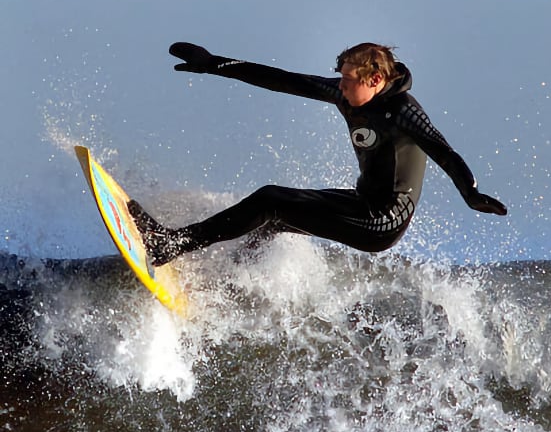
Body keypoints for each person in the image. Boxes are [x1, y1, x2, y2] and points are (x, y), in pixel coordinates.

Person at [129, 42, 507, 266]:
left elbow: (444, 152)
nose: (340, 86)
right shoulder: (347, 94)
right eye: (340, 76)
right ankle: (235, 277)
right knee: (272, 219)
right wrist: (214, 64)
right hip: (361, 203)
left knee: (270, 199)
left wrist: (470, 193)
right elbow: (283, 80)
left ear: (375, 80)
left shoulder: (404, 111)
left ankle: (169, 246)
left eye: (347, 79)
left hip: (383, 222)